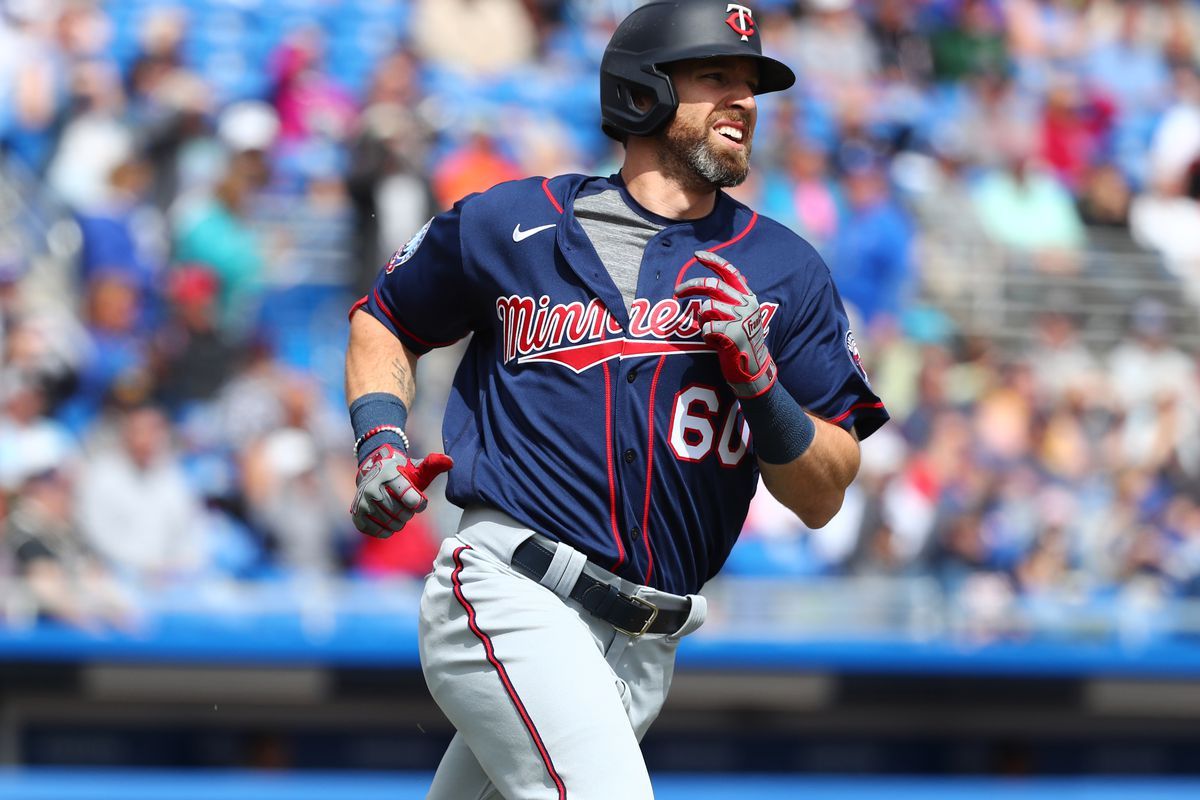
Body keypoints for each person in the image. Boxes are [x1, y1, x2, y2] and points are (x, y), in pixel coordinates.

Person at [343, 2, 888, 797]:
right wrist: (379, 442)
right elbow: (384, 320)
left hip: (645, 646)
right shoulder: (511, 220)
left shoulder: (784, 269)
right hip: (513, 588)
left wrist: (761, 385)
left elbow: (825, 491)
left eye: (751, 85)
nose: (742, 99)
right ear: (643, 90)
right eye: (715, 77)